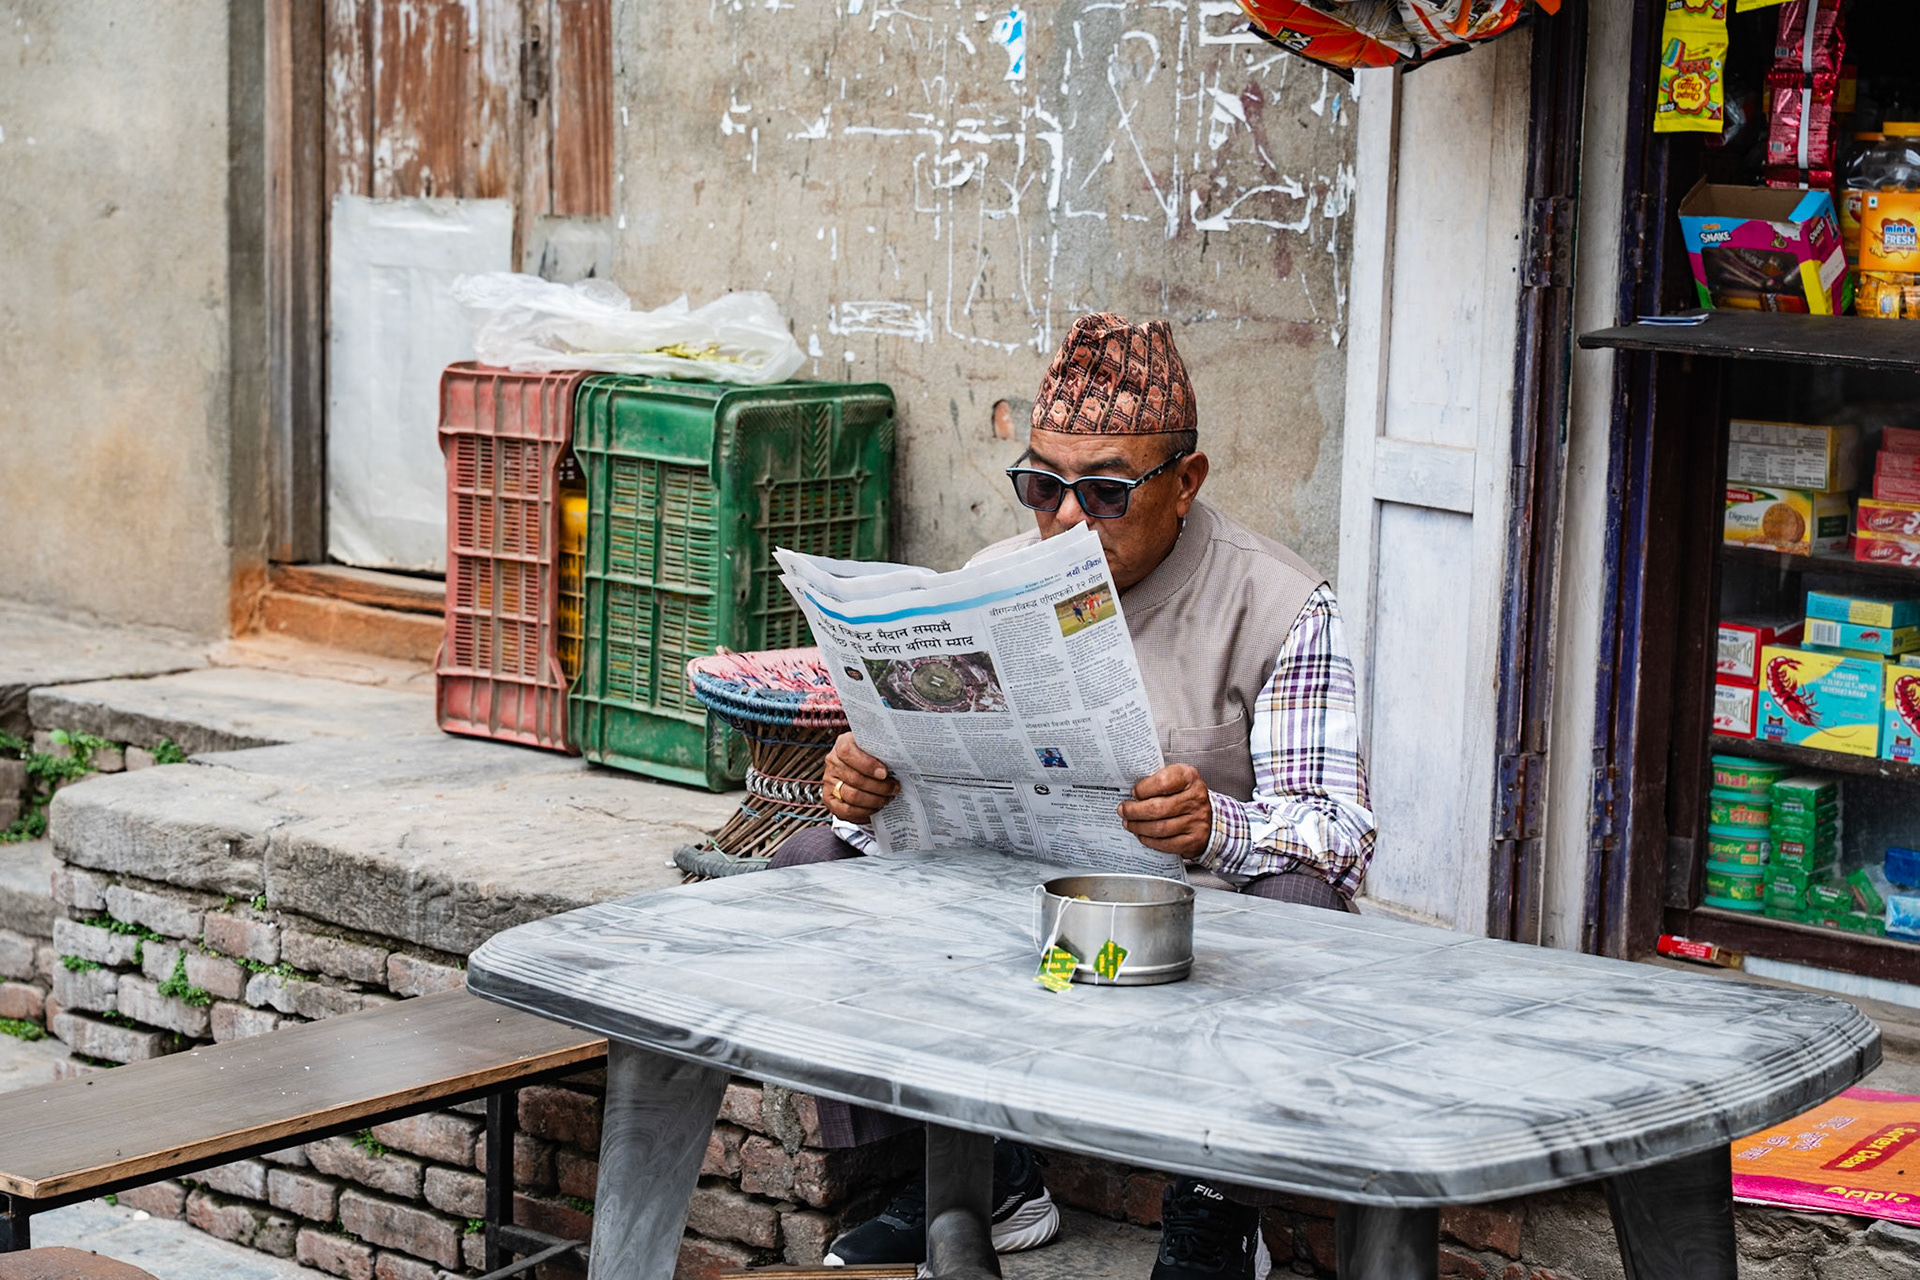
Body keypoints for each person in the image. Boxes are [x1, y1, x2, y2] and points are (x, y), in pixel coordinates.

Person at [774, 312, 1377, 1280]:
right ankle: (969, 1175)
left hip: (1182, 925)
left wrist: (1213, 826)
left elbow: (1341, 833)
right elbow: (912, 796)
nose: (1065, 519)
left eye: (1105, 491)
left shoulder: (1279, 603)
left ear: (1186, 481)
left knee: (1308, 905)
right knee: (811, 864)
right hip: (1017, 915)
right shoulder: (992, 580)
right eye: (1042, 486)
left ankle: (1216, 1209)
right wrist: (864, 790)